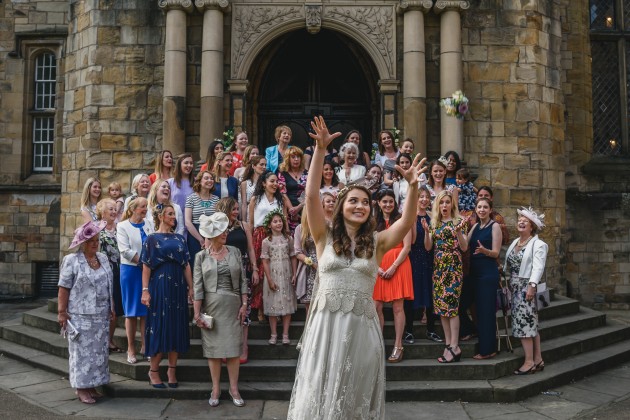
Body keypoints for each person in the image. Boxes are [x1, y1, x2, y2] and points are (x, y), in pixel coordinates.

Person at [287, 116, 425, 419]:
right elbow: (311, 196)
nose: (360, 205)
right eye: (353, 200)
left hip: (362, 328)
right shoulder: (324, 236)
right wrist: (320, 150)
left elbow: (406, 223)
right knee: (320, 392)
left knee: (355, 396)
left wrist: (412, 187)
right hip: (326, 326)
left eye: (365, 202)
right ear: (341, 205)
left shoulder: (377, 243)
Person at [193, 212, 248, 407]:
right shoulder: (200, 257)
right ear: (211, 234)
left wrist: (244, 304)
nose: (225, 233)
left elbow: (243, 280)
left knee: (233, 350)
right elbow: (198, 287)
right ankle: (215, 388)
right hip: (212, 307)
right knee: (213, 351)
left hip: (233, 305)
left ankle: (234, 389)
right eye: (220, 231)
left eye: (225, 230)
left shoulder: (234, 251)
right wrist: (197, 314)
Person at [58, 220, 113, 404]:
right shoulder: (71, 260)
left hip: (101, 315)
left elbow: (109, 285)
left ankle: (92, 386)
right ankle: (81, 388)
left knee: (98, 353)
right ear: (82, 243)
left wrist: (112, 307)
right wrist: (61, 311)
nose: (95, 243)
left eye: (97, 240)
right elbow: (64, 287)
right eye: (91, 241)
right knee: (82, 354)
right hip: (80, 316)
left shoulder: (103, 258)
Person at [140, 204, 193, 388]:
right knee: (159, 326)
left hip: (178, 286)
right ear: (161, 216)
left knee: (176, 325)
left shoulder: (180, 238)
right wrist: (145, 290)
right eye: (170, 214)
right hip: (160, 285)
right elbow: (146, 265)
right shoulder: (151, 239)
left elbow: (186, 264)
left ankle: (172, 369)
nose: (173, 217)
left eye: (174, 214)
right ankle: (153, 371)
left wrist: (191, 287)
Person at [422, 190, 468, 363]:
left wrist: (457, 232)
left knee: (452, 308)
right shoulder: (434, 223)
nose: (444, 206)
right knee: (442, 309)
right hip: (438, 268)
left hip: (453, 267)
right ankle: (448, 345)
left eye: (447, 202)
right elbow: (428, 248)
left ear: (452, 204)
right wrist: (427, 232)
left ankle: (455, 345)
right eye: (441, 203)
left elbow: (464, 248)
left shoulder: (459, 221)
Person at [504, 206, 548, 375]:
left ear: (532, 227)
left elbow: (538, 267)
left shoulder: (538, 244)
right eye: (520, 219)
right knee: (532, 323)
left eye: (526, 221)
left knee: (524, 325)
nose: (521, 221)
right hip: (515, 288)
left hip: (526, 288)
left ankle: (528, 362)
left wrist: (532, 286)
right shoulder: (516, 242)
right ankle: (538, 359)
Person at [373, 189, 414, 363]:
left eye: (391, 201)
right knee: (376, 307)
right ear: (379, 203)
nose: (388, 204)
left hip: (399, 265)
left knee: (398, 308)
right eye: (385, 201)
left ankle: (398, 345)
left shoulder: (401, 220)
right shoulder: (374, 222)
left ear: (395, 203)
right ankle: (377, 344)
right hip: (379, 266)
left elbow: (407, 247)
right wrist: (376, 267)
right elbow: (369, 247)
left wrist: (393, 267)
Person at [215, 197, 258, 364]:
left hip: (243, 269)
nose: (236, 212)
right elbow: (209, 248)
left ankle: (243, 346)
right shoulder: (217, 226)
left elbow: (251, 249)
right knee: (226, 309)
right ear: (224, 209)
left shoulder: (244, 226)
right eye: (233, 209)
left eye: (237, 209)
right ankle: (227, 346)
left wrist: (254, 269)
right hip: (223, 271)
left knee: (243, 309)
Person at [248, 170, 288, 322]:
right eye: (272, 181)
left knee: (276, 271)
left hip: (276, 237)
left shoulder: (281, 199)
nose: (275, 184)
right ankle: (260, 307)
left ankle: (275, 307)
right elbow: (251, 223)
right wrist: (250, 242)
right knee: (262, 273)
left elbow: (283, 220)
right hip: (259, 236)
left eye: (276, 181)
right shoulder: (255, 199)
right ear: (263, 183)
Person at [405, 186, 443, 345]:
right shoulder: (409, 217)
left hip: (428, 258)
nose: (424, 200)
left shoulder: (432, 218)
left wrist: (427, 231)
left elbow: (429, 246)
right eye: (420, 196)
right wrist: (413, 220)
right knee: (411, 294)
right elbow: (412, 241)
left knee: (430, 293)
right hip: (413, 257)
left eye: (426, 197)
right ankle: (408, 330)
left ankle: (431, 330)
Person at [465, 198, 502, 360]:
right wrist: (459, 230)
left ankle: (488, 350)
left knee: (485, 311)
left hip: (487, 273)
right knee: (461, 302)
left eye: (485, 207)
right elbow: (465, 245)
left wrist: (484, 251)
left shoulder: (495, 227)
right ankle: (469, 330)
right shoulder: (474, 226)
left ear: (490, 209)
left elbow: (496, 253)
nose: (482, 210)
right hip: (473, 272)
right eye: (479, 207)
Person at [117, 197, 152, 364]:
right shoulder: (122, 226)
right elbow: (124, 250)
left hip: (147, 271)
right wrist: (143, 263)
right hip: (130, 270)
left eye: (146, 206)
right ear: (133, 209)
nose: (146, 209)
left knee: (145, 310)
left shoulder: (149, 224)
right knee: (131, 312)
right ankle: (131, 348)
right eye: (143, 206)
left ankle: (146, 346)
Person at [261, 209, 297, 345]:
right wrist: (269, 279)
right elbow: (265, 260)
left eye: (280, 221)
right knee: (272, 304)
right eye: (275, 221)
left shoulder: (289, 239)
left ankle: (286, 334)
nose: (278, 223)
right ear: (269, 225)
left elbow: (293, 257)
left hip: (286, 272)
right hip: (273, 273)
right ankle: (274, 333)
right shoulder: (266, 241)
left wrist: (294, 273)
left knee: (287, 301)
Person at [96, 198, 124, 354]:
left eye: (115, 209)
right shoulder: (96, 229)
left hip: (118, 272)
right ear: (102, 212)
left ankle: (109, 340)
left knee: (115, 309)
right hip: (102, 272)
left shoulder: (121, 228)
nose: (114, 212)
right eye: (110, 209)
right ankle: (100, 340)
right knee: (103, 308)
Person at [185, 171, 219, 266]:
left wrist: (209, 238)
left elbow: (217, 219)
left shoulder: (216, 199)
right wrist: (200, 239)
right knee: (196, 263)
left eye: (211, 179)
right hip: (195, 234)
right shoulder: (191, 198)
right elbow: (188, 222)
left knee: (211, 264)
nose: (210, 180)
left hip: (212, 234)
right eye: (206, 178)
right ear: (199, 181)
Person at [278, 146, 308, 233]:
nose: (296, 159)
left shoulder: (307, 173)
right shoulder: (282, 173)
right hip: (288, 210)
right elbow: (283, 193)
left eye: (298, 157)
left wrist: (298, 208)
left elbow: (309, 192)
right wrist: (292, 209)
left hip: (304, 208)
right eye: (293, 157)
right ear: (288, 159)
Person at [294, 211, 317, 317]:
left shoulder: (323, 225)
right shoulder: (300, 228)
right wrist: (312, 263)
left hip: (325, 265)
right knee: (309, 304)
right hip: (309, 268)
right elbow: (298, 252)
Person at [239, 155, 267, 221]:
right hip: (250, 215)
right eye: (261, 164)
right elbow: (244, 205)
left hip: (264, 215)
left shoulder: (266, 183)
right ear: (253, 166)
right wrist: (244, 221)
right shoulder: (245, 184)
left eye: (265, 165)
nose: (264, 167)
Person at [168, 153, 195, 220]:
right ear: (179, 165)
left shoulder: (197, 182)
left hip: (192, 221)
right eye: (186, 163)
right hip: (174, 220)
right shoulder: (170, 182)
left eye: (191, 163)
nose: (189, 165)